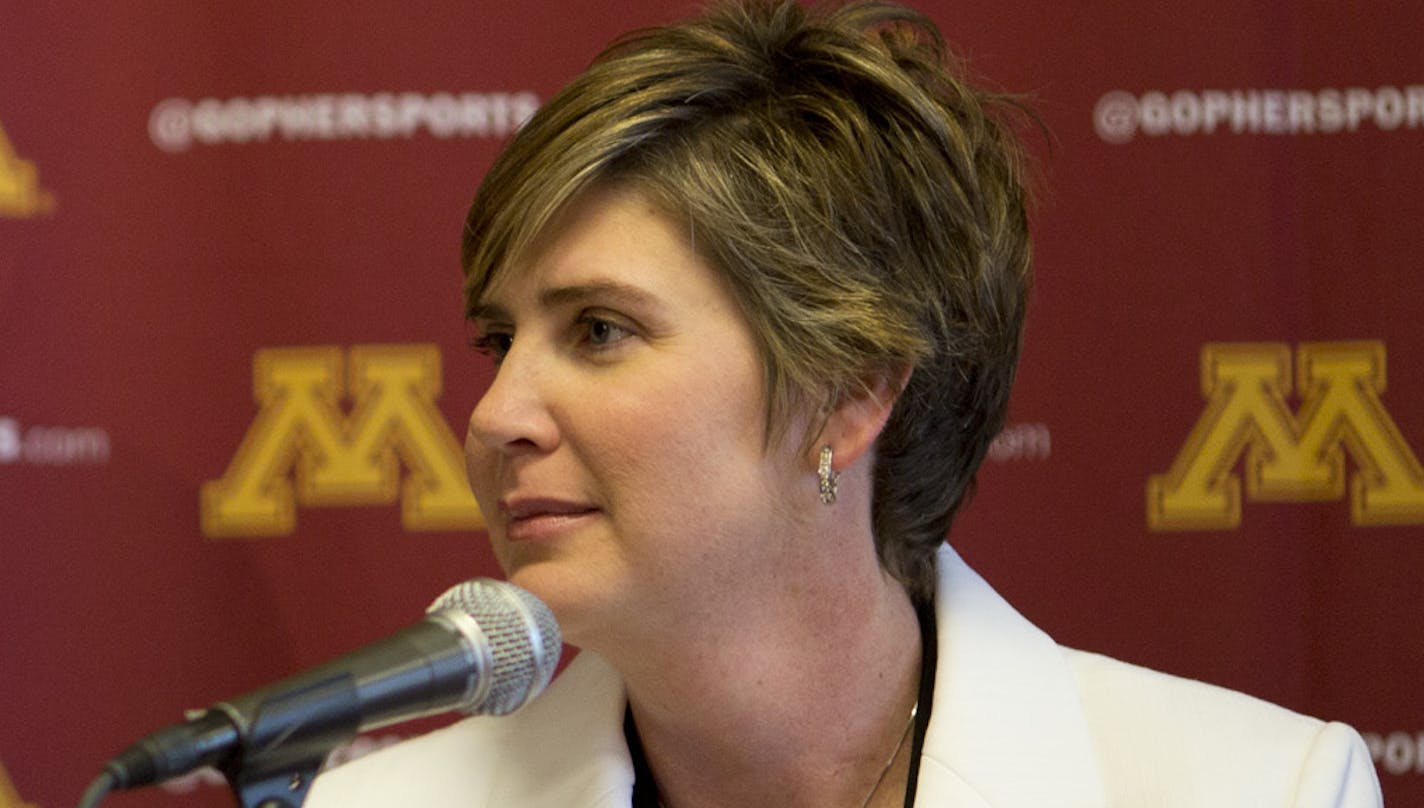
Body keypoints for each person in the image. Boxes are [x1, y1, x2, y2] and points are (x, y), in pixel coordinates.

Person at [307, 2, 1383, 806]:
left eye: (598, 329)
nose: (496, 415)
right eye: (496, 342)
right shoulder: (375, 804)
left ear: (850, 388)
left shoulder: (1257, 788)